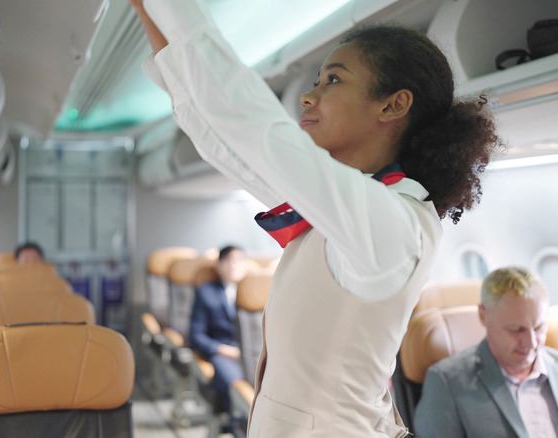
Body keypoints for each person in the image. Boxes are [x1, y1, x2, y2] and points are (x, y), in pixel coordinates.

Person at [130, 1, 502, 436]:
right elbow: (221, 137)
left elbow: (253, 126)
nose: (309, 96)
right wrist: (147, 10)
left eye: (333, 80)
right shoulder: (348, 208)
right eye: (317, 81)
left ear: (393, 105)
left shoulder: (394, 222)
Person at [414, 267, 558, 437]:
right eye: (516, 330)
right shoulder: (447, 383)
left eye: (539, 328)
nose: (531, 342)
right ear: (484, 316)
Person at [189, 245, 248, 418]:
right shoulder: (205, 292)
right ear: (219, 265)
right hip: (224, 354)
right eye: (229, 260)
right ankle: (236, 425)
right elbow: (196, 337)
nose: (235, 265)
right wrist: (227, 351)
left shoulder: (257, 292)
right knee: (235, 382)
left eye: (240, 261)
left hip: (253, 354)